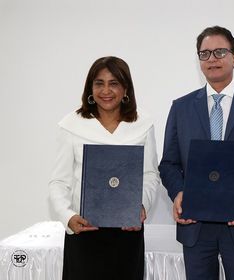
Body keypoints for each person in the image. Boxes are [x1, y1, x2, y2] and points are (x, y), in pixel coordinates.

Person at [159, 26, 234, 280]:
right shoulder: (181, 108)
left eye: (219, 52)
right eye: (204, 54)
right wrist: (179, 192)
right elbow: (169, 164)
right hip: (195, 226)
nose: (212, 59)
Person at [48, 56, 160, 280]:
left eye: (114, 83)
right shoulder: (71, 125)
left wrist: (141, 206)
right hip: (84, 231)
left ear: (125, 88)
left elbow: (150, 175)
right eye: (99, 83)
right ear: (90, 88)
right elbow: (58, 182)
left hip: (127, 233)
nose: (106, 90)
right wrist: (69, 217)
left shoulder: (143, 124)